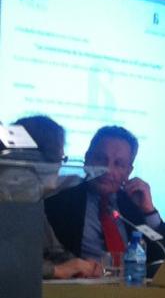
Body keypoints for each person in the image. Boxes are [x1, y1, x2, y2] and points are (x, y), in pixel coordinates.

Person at [45, 125, 163, 263]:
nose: (107, 170)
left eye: (118, 164)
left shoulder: (132, 205)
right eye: (101, 159)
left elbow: (163, 257)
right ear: (87, 159)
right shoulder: (60, 201)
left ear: (128, 171)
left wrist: (149, 211)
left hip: (131, 275)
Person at [14, 115, 101, 280]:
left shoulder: (33, 201)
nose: (61, 165)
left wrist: (82, 265)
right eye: (61, 158)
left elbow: (54, 251)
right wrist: (55, 270)